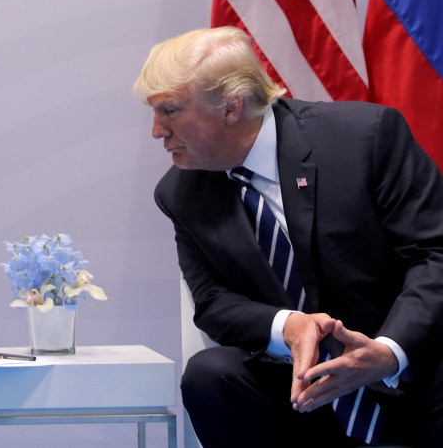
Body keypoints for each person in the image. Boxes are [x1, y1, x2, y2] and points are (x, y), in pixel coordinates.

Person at [133, 26, 443, 447]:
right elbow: (213, 302)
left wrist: (389, 352)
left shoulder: (363, 139)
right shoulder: (182, 193)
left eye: (169, 110)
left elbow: (434, 253)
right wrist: (290, 326)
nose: (157, 130)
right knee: (210, 375)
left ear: (231, 107)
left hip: (412, 374)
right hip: (300, 394)